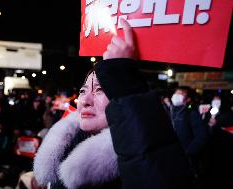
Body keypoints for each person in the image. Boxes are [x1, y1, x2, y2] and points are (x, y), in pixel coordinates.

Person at [34, 19, 193, 189]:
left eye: (100, 90)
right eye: (83, 91)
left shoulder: (137, 165)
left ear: (122, 98)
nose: (85, 101)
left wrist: (122, 75)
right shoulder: (63, 151)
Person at [170, 86, 208, 186]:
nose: (176, 96)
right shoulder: (170, 112)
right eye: (176, 93)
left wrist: (189, 153)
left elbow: (202, 136)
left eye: (181, 94)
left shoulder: (191, 113)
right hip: (171, 158)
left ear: (188, 99)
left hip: (187, 160)